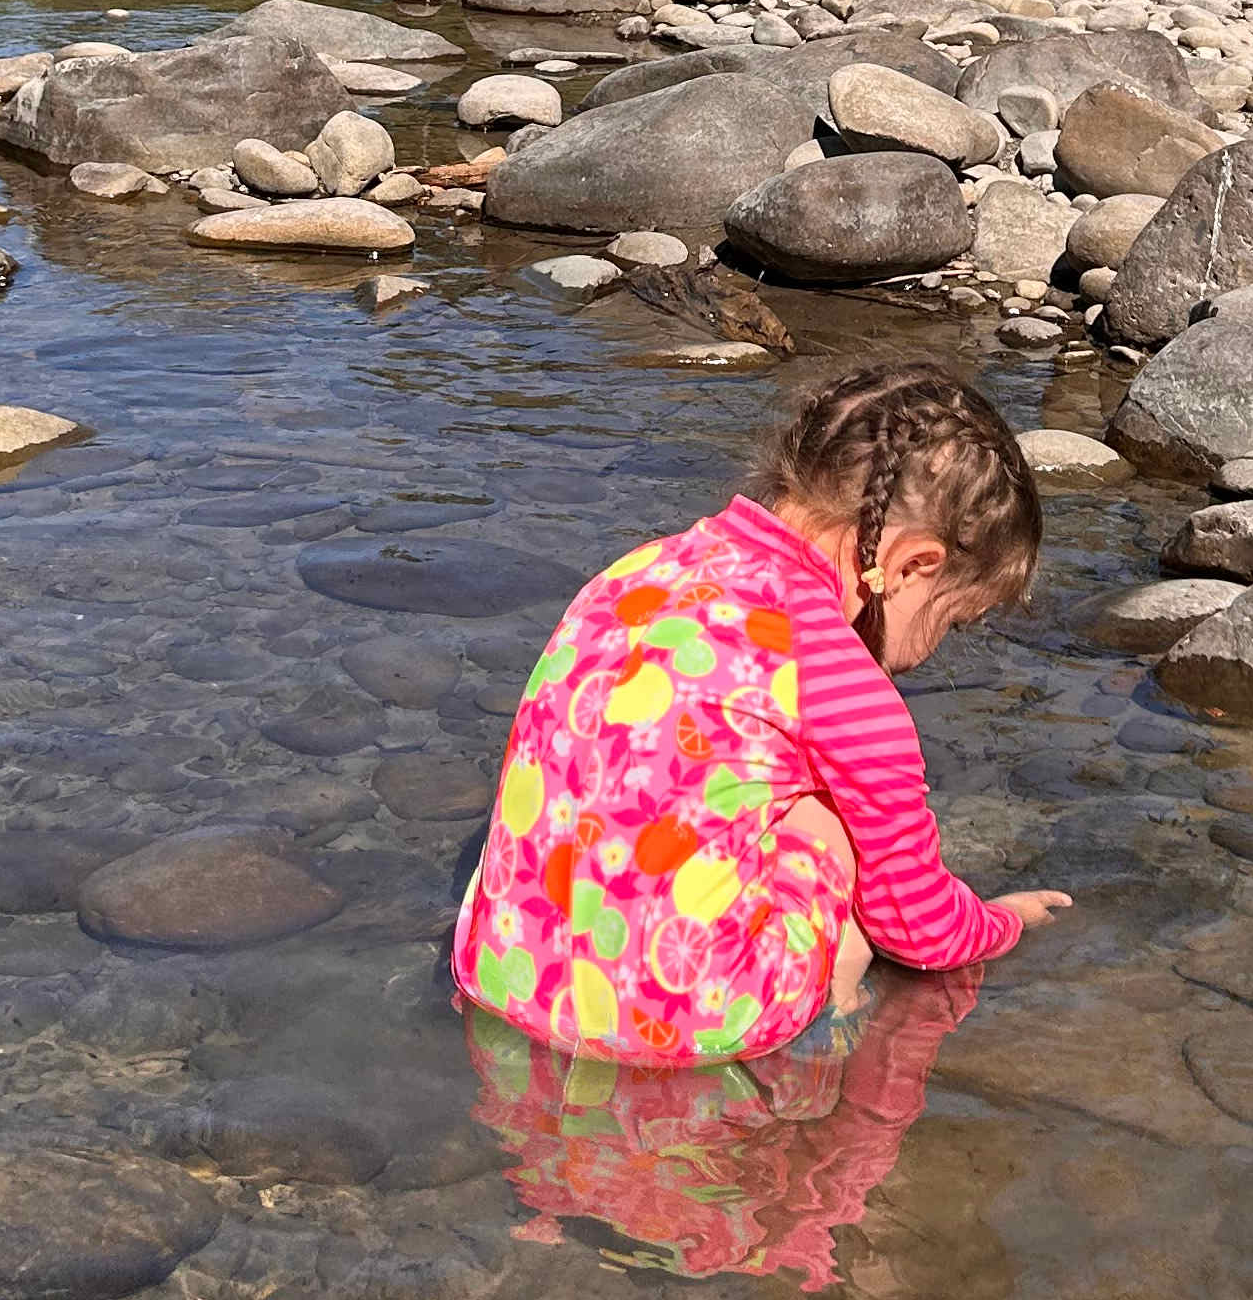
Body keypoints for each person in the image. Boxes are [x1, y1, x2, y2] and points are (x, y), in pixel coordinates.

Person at [451, 361, 1073, 1068]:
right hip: (692, 1025)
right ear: (910, 566)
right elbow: (919, 926)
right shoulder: (837, 672)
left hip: (501, 974)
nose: (935, 649)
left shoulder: (634, 574)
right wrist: (1001, 923)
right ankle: (837, 1001)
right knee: (833, 817)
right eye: (953, 622)